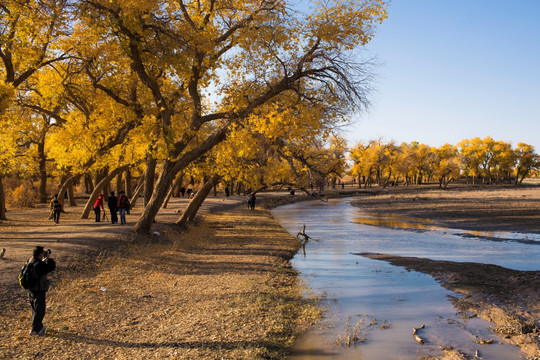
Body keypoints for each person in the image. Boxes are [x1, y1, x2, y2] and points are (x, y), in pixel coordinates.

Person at [26, 246, 56, 336]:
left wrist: (44, 259)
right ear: (40, 254)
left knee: (34, 310)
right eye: (43, 252)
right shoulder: (39, 264)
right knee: (40, 311)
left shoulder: (30, 261)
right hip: (38, 289)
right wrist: (48, 258)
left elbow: (40, 269)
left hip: (30, 289)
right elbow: (51, 267)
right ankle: (35, 330)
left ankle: (39, 326)